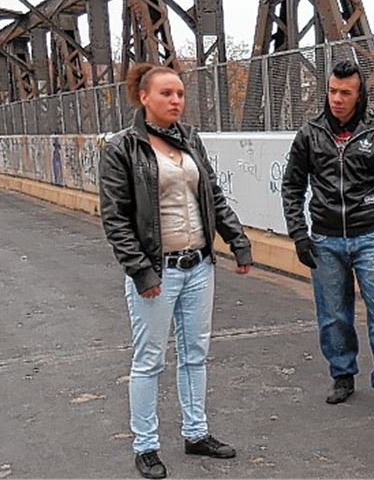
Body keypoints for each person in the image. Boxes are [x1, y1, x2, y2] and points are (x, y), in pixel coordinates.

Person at [99, 63, 254, 479]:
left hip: (199, 264)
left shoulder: (189, 140)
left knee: (195, 353)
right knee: (150, 358)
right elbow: (115, 219)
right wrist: (141, 273)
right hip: (157, 269)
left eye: (181, 94)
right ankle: (146, 445)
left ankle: (196, 432)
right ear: (143, 97)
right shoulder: (123, 148)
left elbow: (213, 195)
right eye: (166, 93)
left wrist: (237, 241)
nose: (176, 101)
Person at [281, 60, 374, 413]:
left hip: (369, 236)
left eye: (345, 93)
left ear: (358, 95)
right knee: (334, 314)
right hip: (324, 240)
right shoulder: (310, 134)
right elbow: (292, 185)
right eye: (333, 91)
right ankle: (342, 374)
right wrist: (299, 235)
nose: (337, 99)